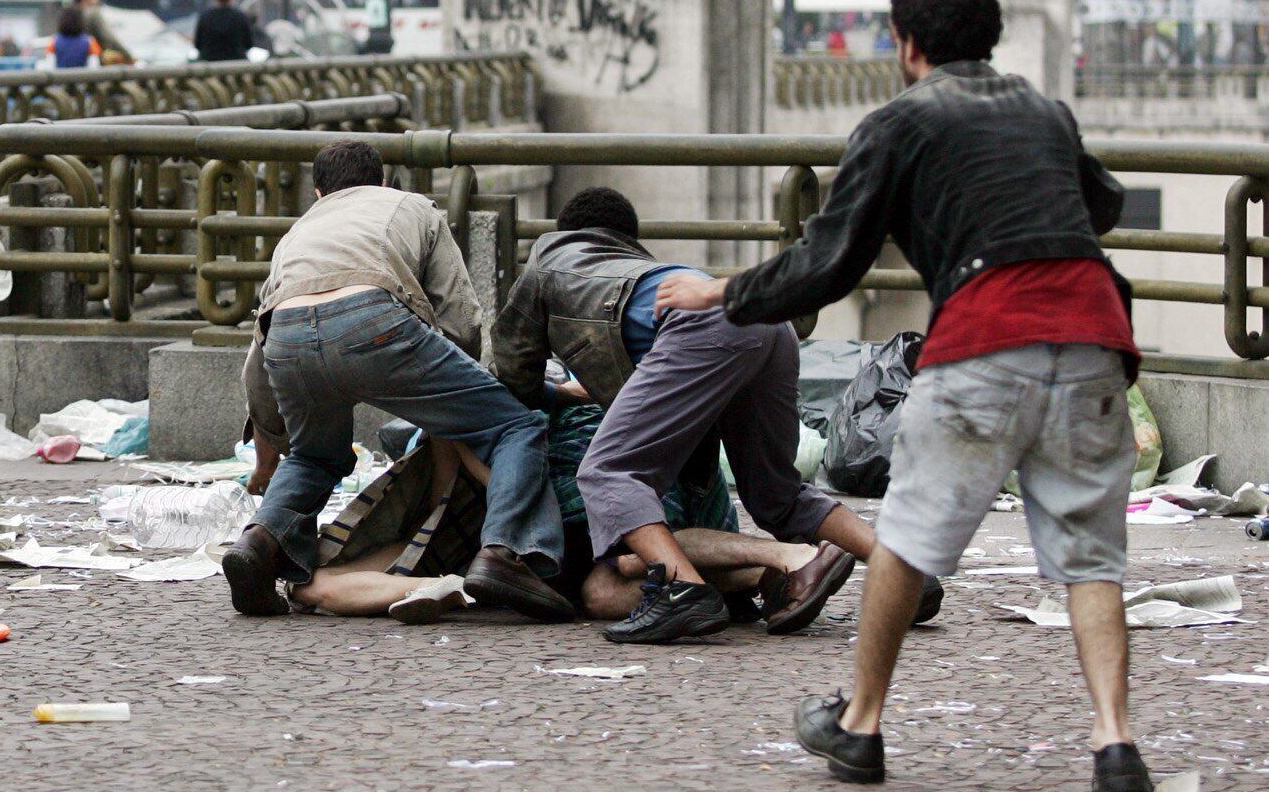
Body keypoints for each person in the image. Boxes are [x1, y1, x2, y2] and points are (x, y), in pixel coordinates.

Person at [657, 0, 1151, 792]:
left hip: (984, 342)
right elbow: (1099, 206)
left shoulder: (899, 122)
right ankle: (1116, 743)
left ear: (906, 40)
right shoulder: (1044, 108)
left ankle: (862, 723)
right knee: (1092, 557)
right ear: (988, 34)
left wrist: (721, 292)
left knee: (911, 538)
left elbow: (829, 262)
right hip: (1095, 337)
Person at [493, 185, 924, 645]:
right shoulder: (641, 270)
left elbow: (514, 365)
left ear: (568, 232)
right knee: (776, 494)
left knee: (606, 472)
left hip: (705, 327)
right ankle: (904, 576)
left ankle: (682, 592)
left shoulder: (548, 255)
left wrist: (550, 396)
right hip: (766, 322)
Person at [222, 137, 571, 623]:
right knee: (515, 428)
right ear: (382, 180)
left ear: (319, 194)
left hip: (286, 336)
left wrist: (270, 443)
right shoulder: (411, 205)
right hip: (373, 318)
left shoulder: (298, 233)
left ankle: (258, 544)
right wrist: (455, 403)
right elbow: (462, 316)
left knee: (314, 456)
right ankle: (505, 554)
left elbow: (258, 353)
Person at [289, 414, 827, 628]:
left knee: (633, 555)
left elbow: (465, 458)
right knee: (603, 591)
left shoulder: (548, 388)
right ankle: (766, 574)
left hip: (570, 501)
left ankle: (791, 557)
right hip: (539, 538)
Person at [193, 0, 257, 63]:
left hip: (210, 67)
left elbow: (197, 44)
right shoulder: (241, 17)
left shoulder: (205, 17)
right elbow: (249, 43)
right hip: (237, 66)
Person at [73, 0, 130, 65]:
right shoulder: (93, 13)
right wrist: (128, 55)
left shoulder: (69, 14)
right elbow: (108, 37)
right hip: (93, 61)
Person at [49, 5, 97, 69]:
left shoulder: (55, 41)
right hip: (82, 78)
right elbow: (94, 67)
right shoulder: (90, 42)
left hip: (61, 78)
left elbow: (50, 65)